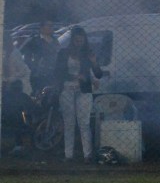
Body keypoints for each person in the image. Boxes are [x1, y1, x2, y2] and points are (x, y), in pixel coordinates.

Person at [55, 26, 103, 163]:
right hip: (67, 90)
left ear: (84, 40)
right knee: (69, 123)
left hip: (84, 91)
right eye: (76, 40)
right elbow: (57, 73)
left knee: (84, 123)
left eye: (81, 40)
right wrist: (74, 76)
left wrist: (94, 62)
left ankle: (87, 155)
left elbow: (98, 74)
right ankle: (68, 155)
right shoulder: (63, 53)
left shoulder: (88, 53)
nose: (79, 43)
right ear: (72, 40)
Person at [2, 37, 35, 155]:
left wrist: (9, 79)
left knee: (18, 116)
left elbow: (24, 71)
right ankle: (20, 143)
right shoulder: (5, 53)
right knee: (13, 116)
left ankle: (22, 143)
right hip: (11, 90)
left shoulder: (15, 54)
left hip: (21, 90)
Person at [23, 21, 60, 95]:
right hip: (39, 75)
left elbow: (58, 55)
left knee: (53, 95)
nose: (51, 27)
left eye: (51, 25)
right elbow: (27, 57)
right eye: (48, 25)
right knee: (39, 95)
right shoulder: (34, 41)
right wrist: (34, 67)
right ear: (41, 28)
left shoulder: (55, 41)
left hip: (53, 74)